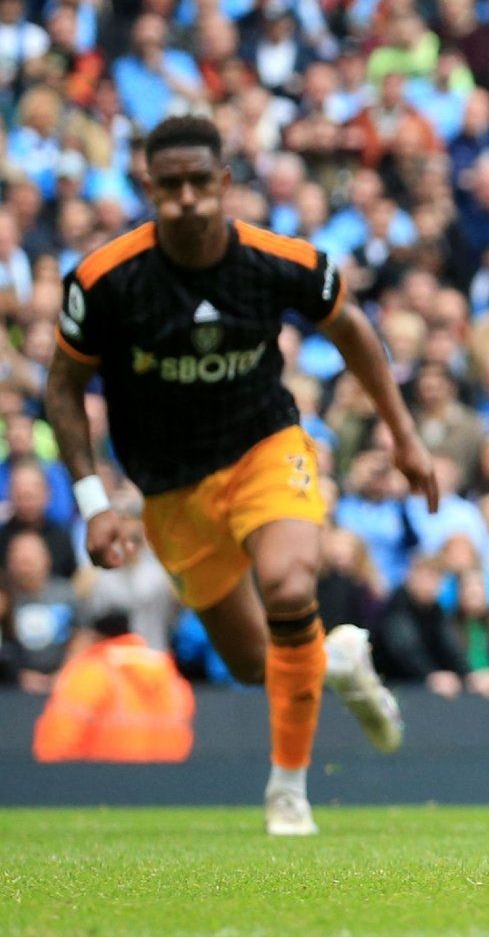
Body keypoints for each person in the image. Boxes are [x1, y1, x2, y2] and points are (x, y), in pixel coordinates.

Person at [44, 115, 441, 836]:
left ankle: (287, 791)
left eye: (201, 182)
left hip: (264, 446)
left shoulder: (278, 259)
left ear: (225, 183)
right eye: (171, 186)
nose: (188, 199)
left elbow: (351, 329)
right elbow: (62, 389)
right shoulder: (106, 281)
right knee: (259, 662)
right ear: (148, 189)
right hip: (169, 487)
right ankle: (339, 661)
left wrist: (405, 436)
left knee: (291, 585)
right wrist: (93, 499)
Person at [33, 609, 195, 762]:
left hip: (102, 783)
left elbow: (56, 743)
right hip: (165, 784)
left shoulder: (89, 673)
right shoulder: (168, 674)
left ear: (93, 636)